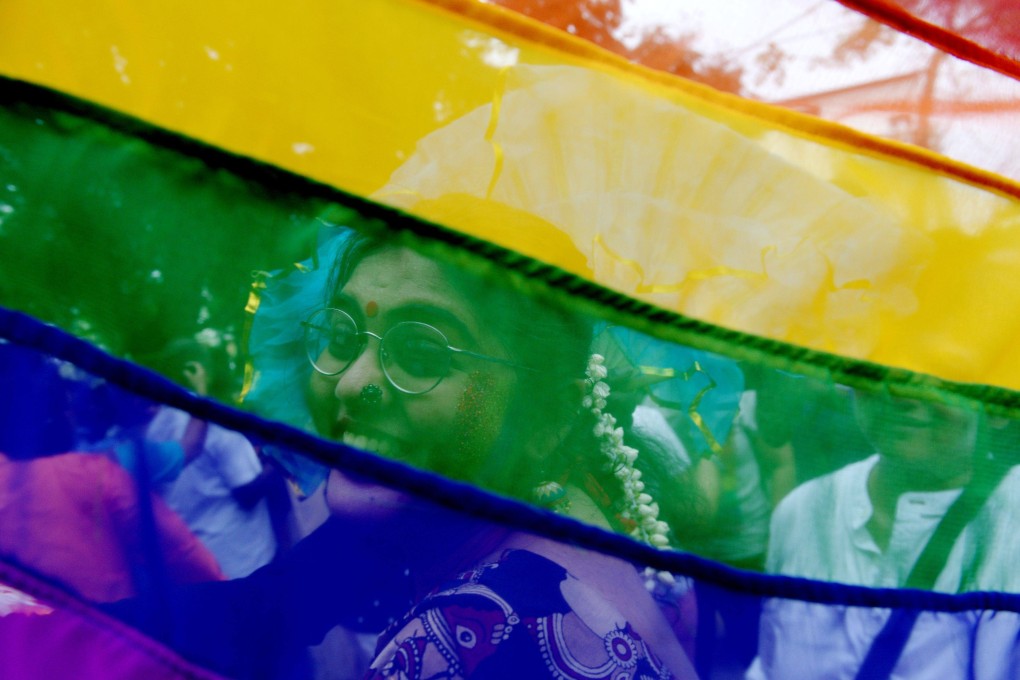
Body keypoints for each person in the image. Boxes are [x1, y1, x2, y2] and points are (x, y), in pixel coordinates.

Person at [749, 389, 1020, 678]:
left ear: (996, 406)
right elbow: (773, 661)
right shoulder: (805, 509)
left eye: (940, 375)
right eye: (879, 372)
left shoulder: (1011, 521)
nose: (903, 395)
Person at [146, 338, 279, 578]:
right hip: (248, 562)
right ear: (196, 369)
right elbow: (246, 493)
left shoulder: (153, 428)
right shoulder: (213, 420)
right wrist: (279, 462)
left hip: (199, 566)